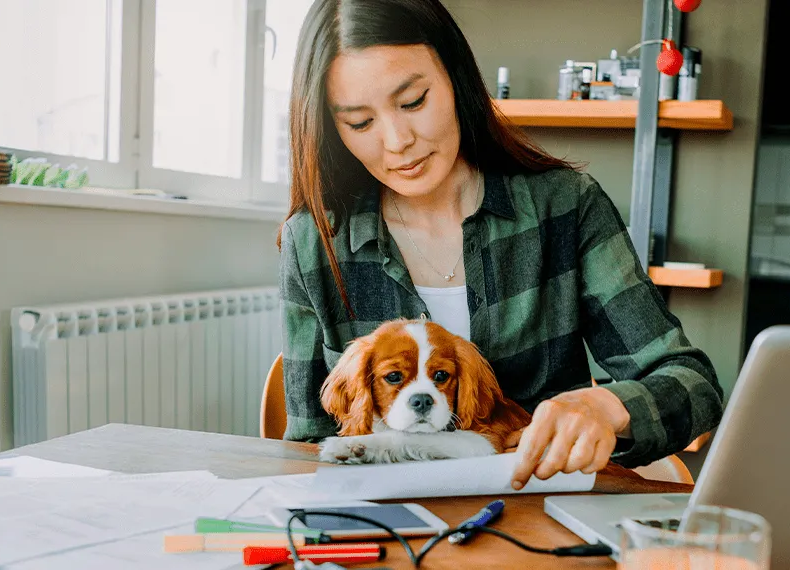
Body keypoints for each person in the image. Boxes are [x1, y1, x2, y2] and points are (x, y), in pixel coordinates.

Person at [277, 0, 723, 490]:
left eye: (413, 102)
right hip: (384, 528)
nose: (397, 140)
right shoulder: (313, 241)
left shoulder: (565, 206)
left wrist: (605, 407)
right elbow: (307, 444)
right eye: (360, 123)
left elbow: (693, 385)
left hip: (539, 514)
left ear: (457, 78)